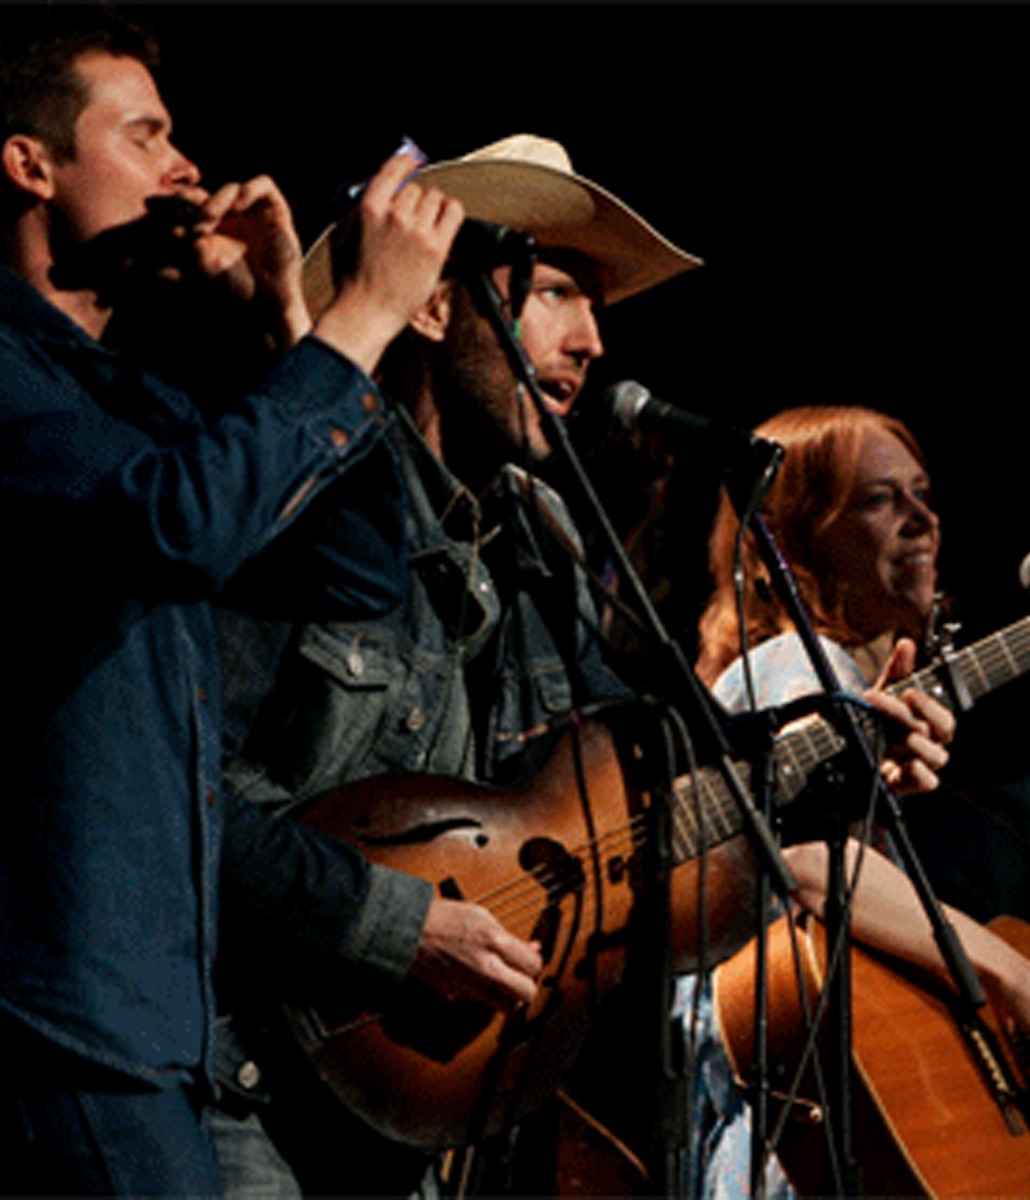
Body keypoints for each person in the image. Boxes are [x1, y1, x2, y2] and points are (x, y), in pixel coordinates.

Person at [207, 137, 958, 1199]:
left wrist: (829, 773)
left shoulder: (547, 545)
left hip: (431, 1127)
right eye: (555, 291)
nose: (593, 341)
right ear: (431, 307)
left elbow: (642, 829)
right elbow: (172, 800)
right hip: (246, 1089)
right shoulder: (302, 502)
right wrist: (393, 923)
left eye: (595, 305)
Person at [0, 12, 539, 1195]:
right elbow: (176, 525)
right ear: (31, 166)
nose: (185, 167)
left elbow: (347, 574)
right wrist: (364, 317)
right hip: (58, 1028)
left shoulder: (132, 398)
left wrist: (282, 326)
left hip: (150, 1032)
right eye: (145, 135)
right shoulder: (10, 380)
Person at [679, 404, 1030, 1199]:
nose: (923, 519)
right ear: (787, 546)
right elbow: (804, 861)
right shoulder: (793, 665)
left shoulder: (836, 688)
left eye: (923, 493)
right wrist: (1011, 975)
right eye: (877, 500)